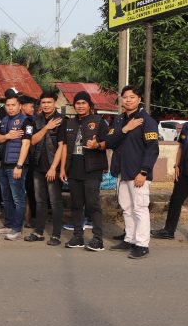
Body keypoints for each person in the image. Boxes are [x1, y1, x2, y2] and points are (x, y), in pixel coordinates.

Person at [105, 86, 159, 259]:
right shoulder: (120, 120)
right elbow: (109, 142)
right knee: (127, 208)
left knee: (139, 208)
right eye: (125, 97)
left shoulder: (147, 121)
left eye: (132, 97)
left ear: (139, 99)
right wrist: (126, 129)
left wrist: (144, 172)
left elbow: (152, 149)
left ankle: (142, 244)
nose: (128, 100)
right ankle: (129, 238)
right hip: (122, 172)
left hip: (138, 173)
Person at [59, 91, 109, 250]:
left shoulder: (99, 121)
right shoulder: (70, 123)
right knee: (76, 204)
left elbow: (108, 143)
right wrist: (62, 168)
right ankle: (78, 237)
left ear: (89, 105)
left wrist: (97, 145)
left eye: (83, 103)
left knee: (92, 204)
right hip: (74, 169)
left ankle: (97, 239)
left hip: (92, 168)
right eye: (77, 103)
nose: (80, 106)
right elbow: (65, 147)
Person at [152, 99, 188, 246]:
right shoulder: (187, 127)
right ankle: (168, 231)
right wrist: (176, 166)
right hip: (185, 172)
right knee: (175, 201)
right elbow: (181, 147)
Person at [25, 91, 65, 245]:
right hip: (37, 166)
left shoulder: (62, 120)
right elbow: (32, 141)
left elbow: (62, 146)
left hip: (52, 167)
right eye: (43, 102)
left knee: (55, 202)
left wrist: (54, 168)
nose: (46, 105)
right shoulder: (36, 120)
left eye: (49, 102)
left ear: (54, 103)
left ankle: (56, 235)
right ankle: (39, 232)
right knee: (39, 200)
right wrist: (47, 127)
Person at [0, 95, 35, 241]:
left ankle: (17, 228)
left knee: (18, 198)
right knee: (6, 198)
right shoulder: (4, 120)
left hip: (16, 166)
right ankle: (9, 224)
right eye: (8, 105)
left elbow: (26, 144)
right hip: (3, 165)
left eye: (13, 105)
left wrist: (19, 165)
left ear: (20, 106)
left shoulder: (27, 121)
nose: (10, 108)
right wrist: (8, 136)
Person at [19, 95, 38, 228]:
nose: (33, 109)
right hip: (16, 160)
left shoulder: (31, 121)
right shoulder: (12, 120)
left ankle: (30, 218)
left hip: (30, 160)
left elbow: (30, 141)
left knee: (30, 191)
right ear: (22, 106)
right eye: (31, 106)